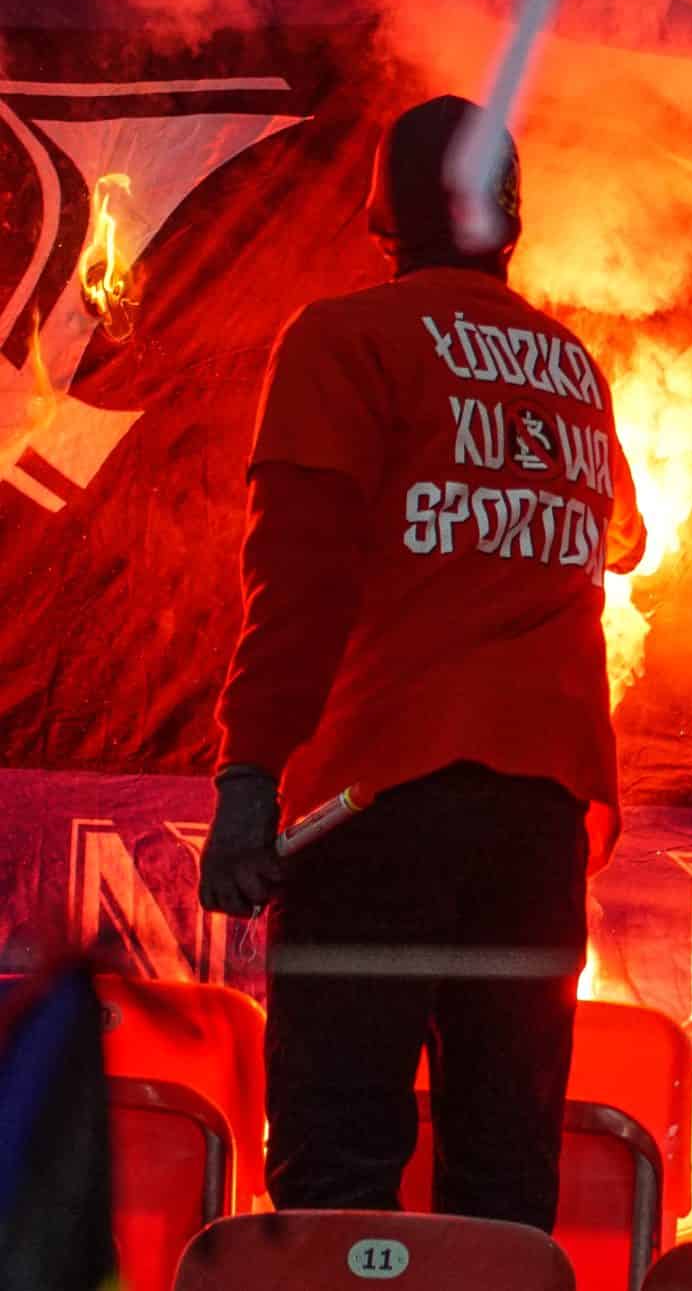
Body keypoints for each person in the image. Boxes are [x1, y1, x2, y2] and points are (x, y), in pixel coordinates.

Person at [197, 95, 645, 1228]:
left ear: (383, 215)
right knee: (504, 1182)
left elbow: (299, 586)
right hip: (540, 820)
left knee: (337, 1167)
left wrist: (249, 780)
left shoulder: (344, 339)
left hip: (377, 799)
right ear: (511, 217)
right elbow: (624, 539)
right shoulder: (573, 367)